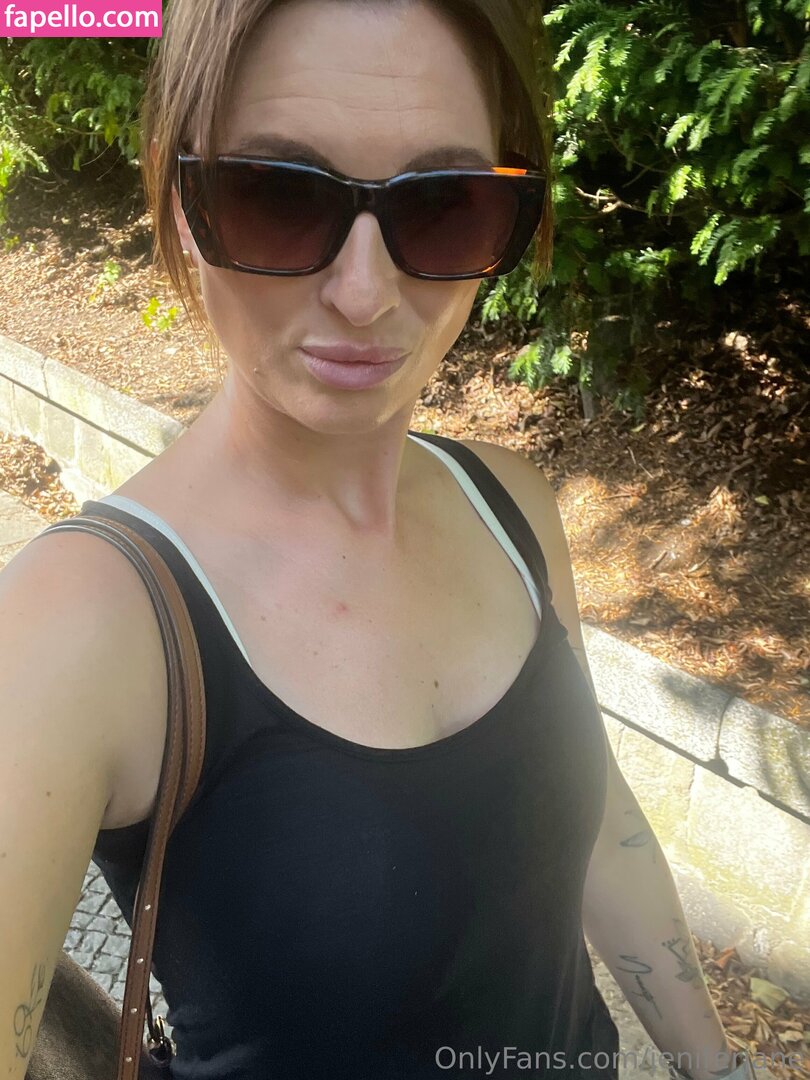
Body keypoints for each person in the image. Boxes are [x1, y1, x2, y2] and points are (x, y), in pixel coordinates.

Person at [1, 1, 757, 1078]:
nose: (364, 296)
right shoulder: (73, 625)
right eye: (276, 195)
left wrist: (718, 1067)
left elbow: (596, 823)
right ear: (179, 205)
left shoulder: (509, 507)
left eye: (444, 204)